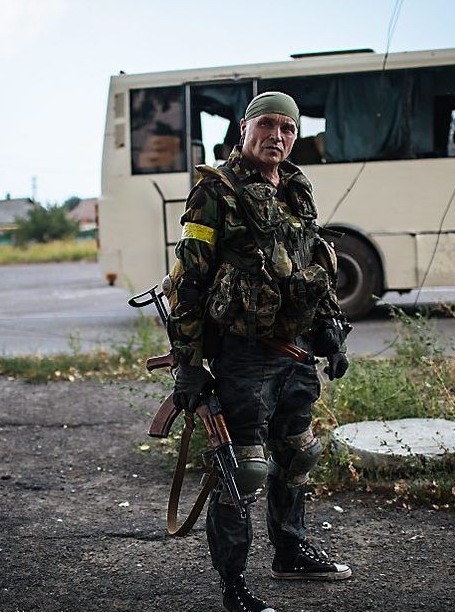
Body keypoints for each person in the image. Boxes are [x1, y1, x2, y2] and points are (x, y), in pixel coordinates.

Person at [167, 91, 352, 612]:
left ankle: (289, 551)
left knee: (298, 455)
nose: (277, 136)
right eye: (266, 125)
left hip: (295, 352)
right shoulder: (215, 192)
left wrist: (331, 329)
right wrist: (188, 364)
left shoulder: (295, 185)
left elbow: (312, 260)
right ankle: (233, 586)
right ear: (244, 129)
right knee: (243, 470)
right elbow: (189, 281)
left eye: (287, 129)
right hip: (243, 355)